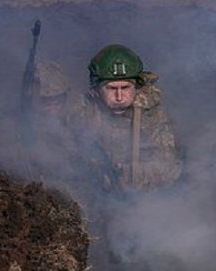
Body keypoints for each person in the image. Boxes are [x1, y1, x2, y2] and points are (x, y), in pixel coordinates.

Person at [72, 44, 182, 193]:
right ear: (97, 89)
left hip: (144, 200)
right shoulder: (84, 111)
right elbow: (68, 162)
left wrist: (133, 176)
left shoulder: (151, 114)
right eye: (111, 88)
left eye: (125, 88)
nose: (119, 97)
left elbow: (170, 169)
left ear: (136, 86)